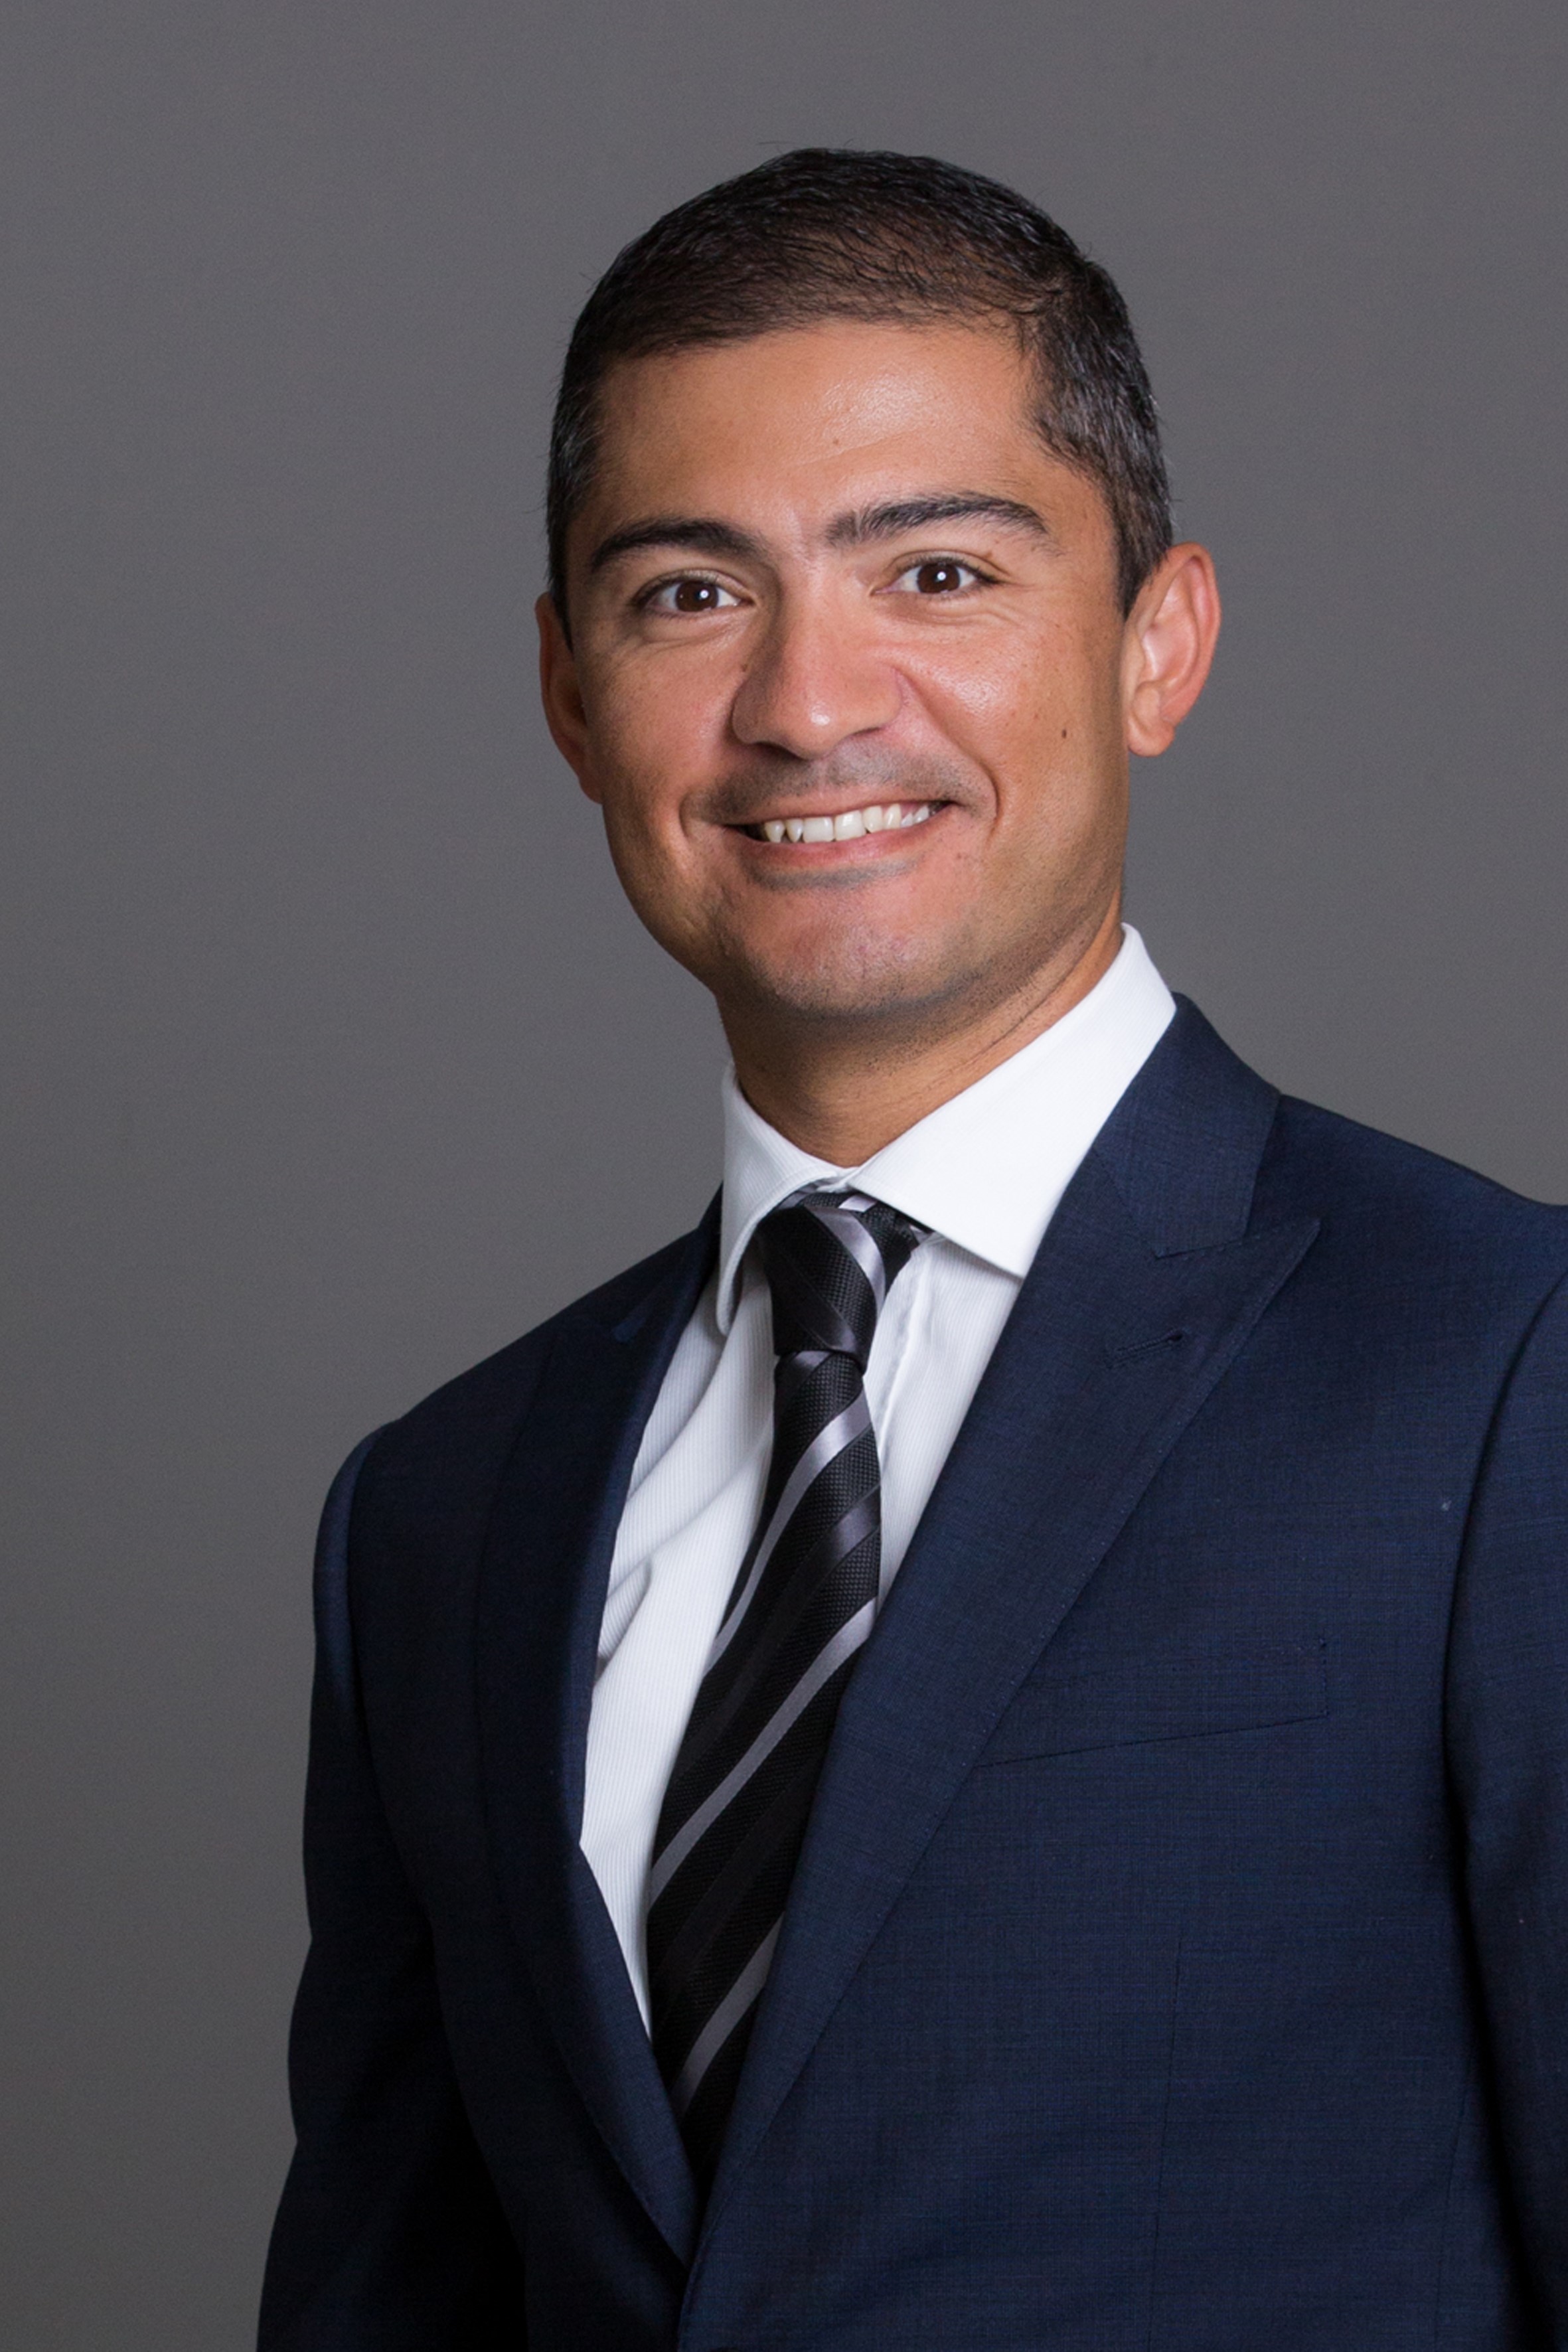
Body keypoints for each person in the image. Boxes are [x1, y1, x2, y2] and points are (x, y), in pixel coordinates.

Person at [258, 149, 1568, 2351]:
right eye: (691, 593)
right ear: (570, 695)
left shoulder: (1507, 1375)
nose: (807, 702)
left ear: (1156, 645)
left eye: (936, 572)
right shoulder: (440, 1516)